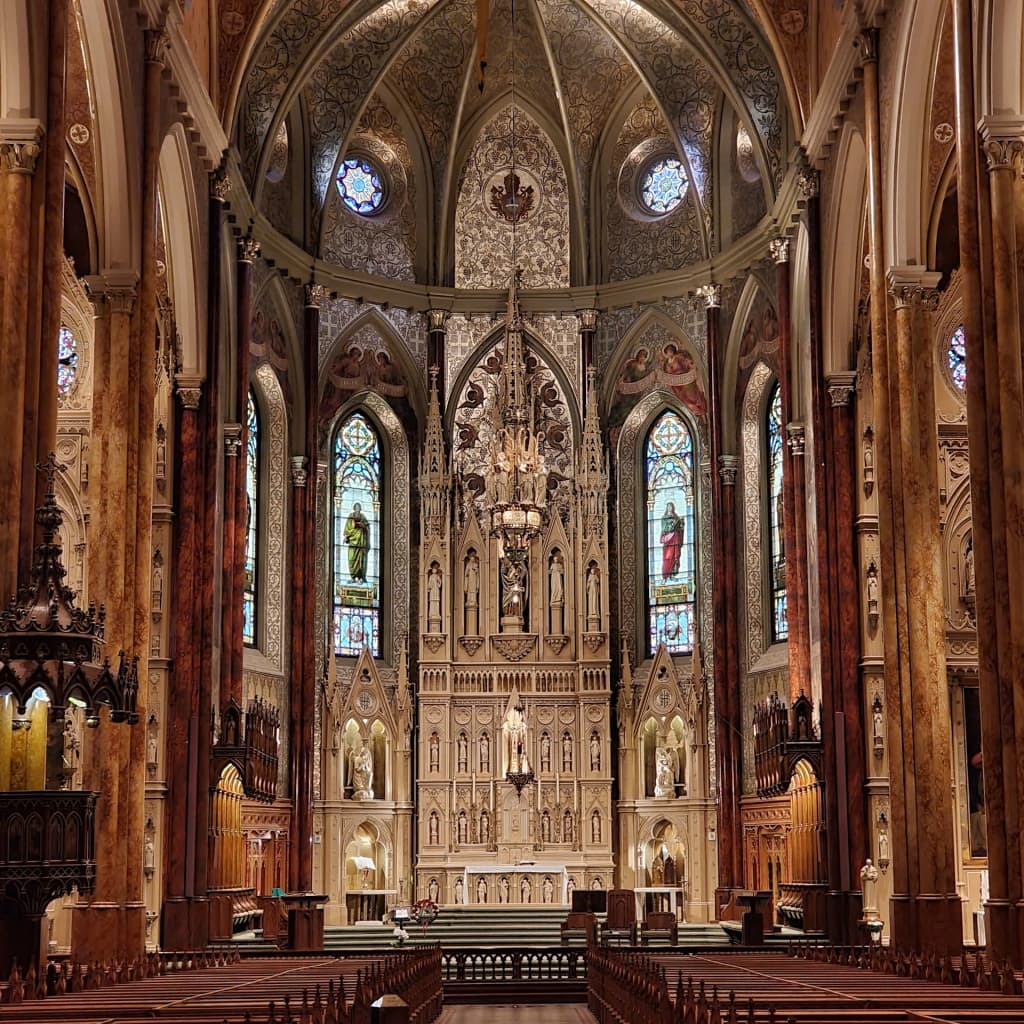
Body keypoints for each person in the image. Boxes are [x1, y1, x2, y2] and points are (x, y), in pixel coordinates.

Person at [344, 502, 370, 582]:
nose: (358, 508)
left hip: (361, 542)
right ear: (354, 508)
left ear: (360, 508)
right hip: (353, 542)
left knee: (361, 560)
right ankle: (353, 576)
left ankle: (360, 577)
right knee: (352, 558)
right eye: (356, 507)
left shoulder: (363, 517)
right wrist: (347, 536)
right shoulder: (350, 516)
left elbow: (367, 527)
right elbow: (347, 529)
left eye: (359, 507)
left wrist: (363, 526)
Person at [660, 502, 684, 579]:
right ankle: (665, 576)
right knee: (667, 557)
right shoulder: (664, 518)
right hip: (668, 540)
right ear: (667, 508)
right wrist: (672, 525)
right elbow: (664, 529)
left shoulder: (675, 517)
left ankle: (672, 575)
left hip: (675, 539)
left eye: (671, 506)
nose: (670, 508)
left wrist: (681, 523)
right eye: (668, 507)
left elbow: (679, 528)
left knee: (675, 556)